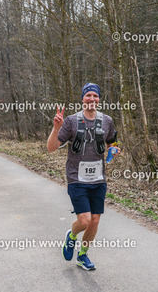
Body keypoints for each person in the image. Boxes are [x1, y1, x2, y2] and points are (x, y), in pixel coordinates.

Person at [47, 83, 119, 270]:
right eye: (88, 96)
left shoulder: (107, 121)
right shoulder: (71, 121)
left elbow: (112, 142)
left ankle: (82, 255)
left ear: (99, 99)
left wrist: (114, 149)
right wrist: (56, 128)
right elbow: (51, 147)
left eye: (95, 96)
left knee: (95, 220)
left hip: (99, 179)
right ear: (82, 99)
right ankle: (71, 236)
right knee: (85, 220)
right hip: (76, 178)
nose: (92, 99)